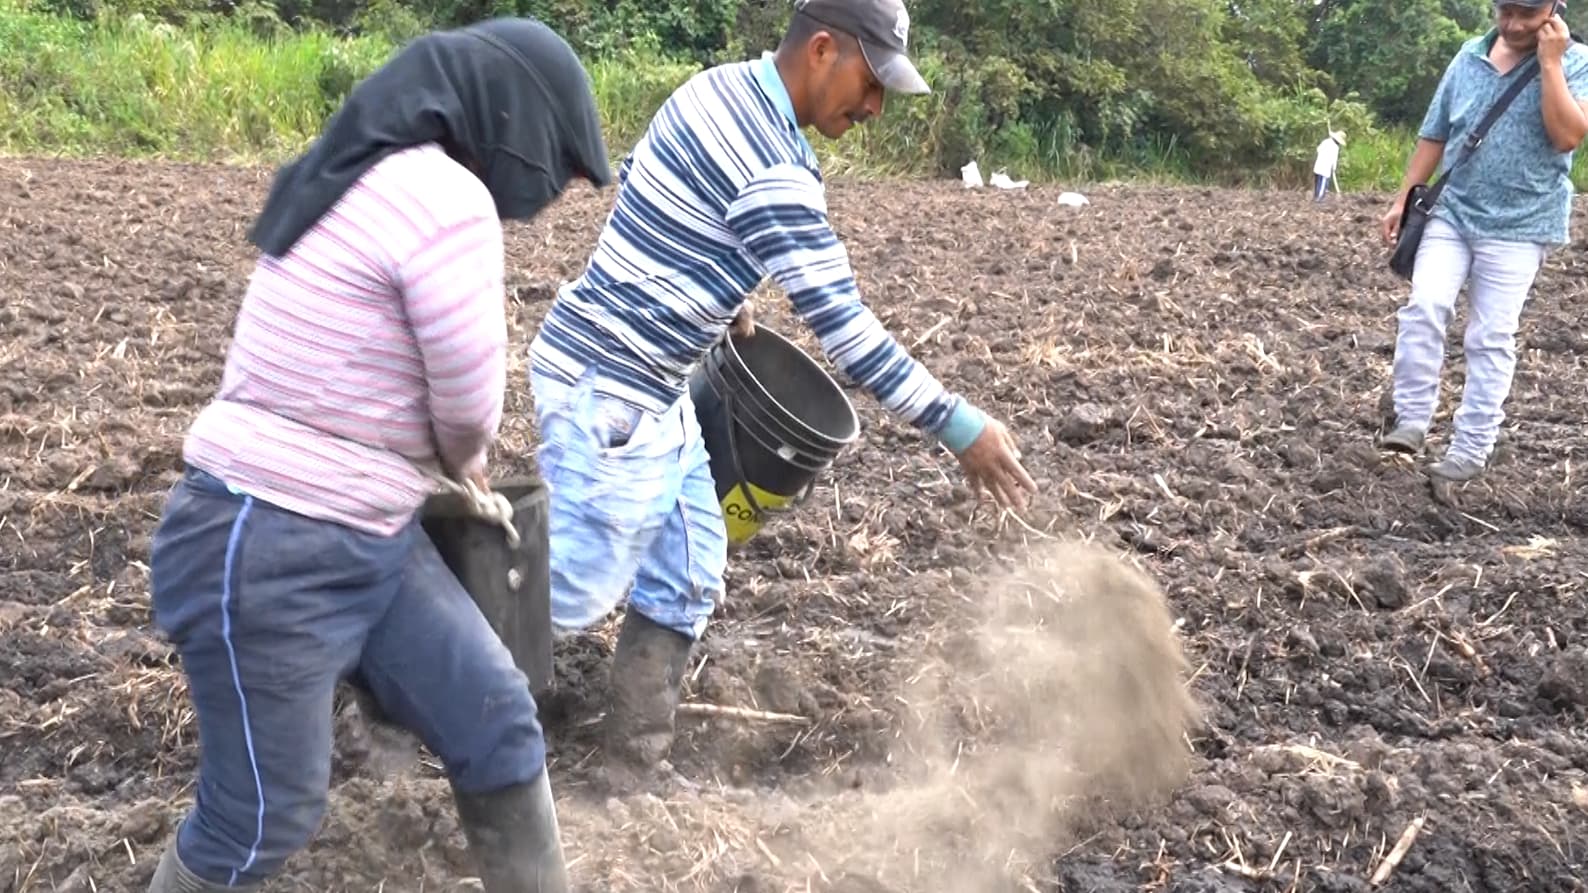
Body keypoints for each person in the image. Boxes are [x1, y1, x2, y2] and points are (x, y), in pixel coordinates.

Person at [143, 18, 611, 893]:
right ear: (517, 123)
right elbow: (469, 404)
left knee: (498, 719)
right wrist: (465, 460)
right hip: (267, 540)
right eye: (560, 164)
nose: (549, 194)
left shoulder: (365, 173)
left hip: (369, 535)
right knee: (260, 815)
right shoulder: (445, 196)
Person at [526, 0, 1039, 790]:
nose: (872, 109)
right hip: (611, 390)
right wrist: (961, 425)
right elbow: (849, 332)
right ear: (824, 49)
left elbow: (652, 185)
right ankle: (403, 696)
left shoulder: (713, 88)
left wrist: (721, 293)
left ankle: (631, 768)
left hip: (649, 391)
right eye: (870, 85)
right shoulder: (777, 167)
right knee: (565, 590)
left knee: (691, 566)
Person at [1379, 0, 1588, 480]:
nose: (1513, 25)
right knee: (1424, 308)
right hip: (1453, 213)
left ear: (1553, 9)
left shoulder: (1577, 62)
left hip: (1522, 222)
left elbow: (1567, 137)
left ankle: (1470, 450)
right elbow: (1434, 134)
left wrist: (1550, 63)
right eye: (1505, 12)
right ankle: (1410, 420)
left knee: (1490, 337)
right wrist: (1403, 195)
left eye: (1526, 16)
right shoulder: (1467, 56)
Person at [1312, 129, 1345, 200]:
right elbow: (1334, 159)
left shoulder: (1325, 141)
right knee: (1323, 184)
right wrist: (1334, 167)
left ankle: (1316, 196)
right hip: (1325, 168)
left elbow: (1318, 149)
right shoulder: (1335, 147)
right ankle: (1319, 199)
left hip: (1318, 165)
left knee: (1318, 182)